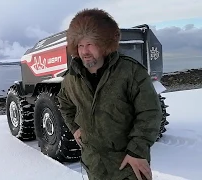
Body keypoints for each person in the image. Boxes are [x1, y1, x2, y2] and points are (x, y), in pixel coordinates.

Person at [57, 8, 162, 180]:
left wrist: (137, 151)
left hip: (128, 165)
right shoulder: (72, 78)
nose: (84, 51)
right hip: (95, 165)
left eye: (90, 44)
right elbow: (64, 103)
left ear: (104, 44)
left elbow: (149, 113)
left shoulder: (131, 72)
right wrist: (75, 128)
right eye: (81, 45)